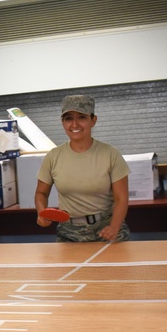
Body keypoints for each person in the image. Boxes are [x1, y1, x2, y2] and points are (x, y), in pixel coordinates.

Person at [33, 94, 131, 242]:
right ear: (62, 122)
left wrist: (114, 227)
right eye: (69, 118)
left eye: (82, 117)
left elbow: (121, 198)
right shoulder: (53, 157)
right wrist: (41, 212)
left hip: (107, 228)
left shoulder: (111, 154)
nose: (75, 124)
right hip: (68, 232)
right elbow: (41, 193)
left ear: (93, 120)